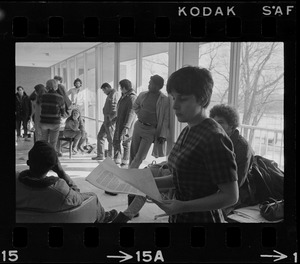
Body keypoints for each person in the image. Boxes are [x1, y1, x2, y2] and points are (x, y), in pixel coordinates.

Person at [113, 66, 238, 223]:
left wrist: (183, 206)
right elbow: (181, 178)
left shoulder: (214, 137)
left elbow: (231, 196)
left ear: (203, 99)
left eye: (183, 99)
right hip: (180, 217)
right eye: (173, 97)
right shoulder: (189, 129)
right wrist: (142, 184)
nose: (175, 105)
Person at [16, 140, 118, 223]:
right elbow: (77, 195)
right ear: (53, 166)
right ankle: (103, 216)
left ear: (28, 162)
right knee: (92, 196)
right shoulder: (61, 191)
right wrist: (61, 172)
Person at [209, 104, 255, 216]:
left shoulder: (242, 148)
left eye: (220, 122)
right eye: (213, 122)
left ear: (232, 126)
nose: (215, 125)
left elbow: (238, 182)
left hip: (235, 192)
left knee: (210, 212)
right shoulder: (216, 139)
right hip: (215, 185)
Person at [129, 75, 170, 169]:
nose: (149, 85)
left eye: (151, 83)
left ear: (158, 86)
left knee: (140, 156)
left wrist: (162, 135)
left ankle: (130, 173)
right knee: (133, 153)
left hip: (150, 130)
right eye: (149, 83)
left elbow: (166, 119)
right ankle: (130, 173)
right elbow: (135, 106)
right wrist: (141, 114)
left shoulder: (165, 100)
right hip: (138, 126)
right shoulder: (143, 94)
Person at [113, 79, 137, 167]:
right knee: (116, 140)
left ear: (124, 87)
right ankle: (117, 160)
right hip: (120, 122)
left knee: (125, 142)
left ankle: (125, 162)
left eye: (120, 87)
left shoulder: (132, 97)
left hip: (127, 124)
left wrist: (126, 126)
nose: (120, 89)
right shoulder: (124, 96)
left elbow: (131, 113)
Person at [91, 83, 119, 161]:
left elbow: (115, 108)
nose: (104, 92)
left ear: (107, 88)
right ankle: (100, 155)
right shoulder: (110, 95)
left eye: (104, 90)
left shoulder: (114, 94)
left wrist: (110, 119)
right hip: (106, 120)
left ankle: (111, 157)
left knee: (111, 139)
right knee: (100, 136)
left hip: (110, 121)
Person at [40, 79, 66, 154]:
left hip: (44, 121)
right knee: (53, 142)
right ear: (56, 87)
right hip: (54, 122)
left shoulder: (43, 96)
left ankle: (44, 156)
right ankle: (51, 157)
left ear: (47, 87)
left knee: (44, 141)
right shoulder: (60, 98)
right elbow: (63, 112)